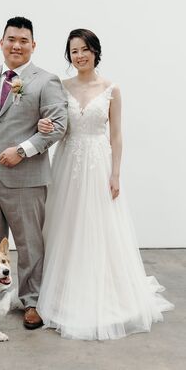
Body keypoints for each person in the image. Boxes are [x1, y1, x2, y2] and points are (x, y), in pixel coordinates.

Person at [36, 28, 174, 340]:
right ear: (69, 56)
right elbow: (54, 123)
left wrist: (115, 174)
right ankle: (62, 290)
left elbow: (116, 135)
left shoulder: (112, 88)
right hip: (68, 162)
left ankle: (105, 292)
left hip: (98, 164)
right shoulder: (60, 86)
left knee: (100, 226)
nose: (80, 55)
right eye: (74, 51)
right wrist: (43, 124)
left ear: (95, 51)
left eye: (85, 49)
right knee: (66, 225)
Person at [0, 17, 68, 329]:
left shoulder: (46, 81)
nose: (16, 45)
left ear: (33, 45)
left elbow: (58, 125)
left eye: (23, 40)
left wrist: (22, 151)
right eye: (11, 39)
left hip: (27, 180)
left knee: (30, 245)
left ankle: (32, 302)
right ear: (2, 42)